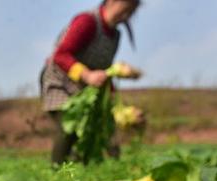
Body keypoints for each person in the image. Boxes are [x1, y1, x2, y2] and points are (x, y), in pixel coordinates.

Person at [40, 0, 141, 164]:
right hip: (60, 81)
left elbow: (104, 72)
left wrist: (117, 104)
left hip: (86, 89)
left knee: (93, 133)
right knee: (69, 127)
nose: (126, 16)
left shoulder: (115, 35)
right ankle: (57, 171)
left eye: (131, 12)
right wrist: (87, 75)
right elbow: (61, 55)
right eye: (126, 9)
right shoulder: (87, 21)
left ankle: (81, 173)